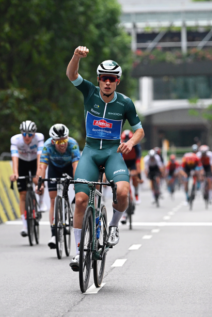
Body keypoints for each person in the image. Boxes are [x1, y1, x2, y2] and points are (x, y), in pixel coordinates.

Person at [66, 46, 144, 271]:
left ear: (117, 81)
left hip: (113, 154)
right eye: (103, 78)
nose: (107, 82)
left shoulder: (125, 103)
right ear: (99, 80)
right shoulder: (89, 92)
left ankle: (113, 226)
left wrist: (129, 143)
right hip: (90, 153)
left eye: (112, 79)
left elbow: (139, 130)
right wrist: (76, 57)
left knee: (122, 192)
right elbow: (72, 75)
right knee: (80, 200)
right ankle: (79, 251)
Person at [35, 124, 80, 249]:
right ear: (53, 141)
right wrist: (40, 183)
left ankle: (71, 205)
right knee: (53, 200)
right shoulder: (47, 146)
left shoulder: (73, 144)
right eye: (59, 141)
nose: (62, 144)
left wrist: (77, 182)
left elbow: (76, 165)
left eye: (64, 140)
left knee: (80, 190)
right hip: (54, 169)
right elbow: (42, 167)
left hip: (70, 167)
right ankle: (54, 233)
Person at [9, 120, 45, 237]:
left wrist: (39, 173)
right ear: (21, 133)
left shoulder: (39, 138)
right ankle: (24, 225)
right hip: (22, 162)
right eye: (25, 134)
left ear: (34, 134)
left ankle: (40, 202)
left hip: (35, 160)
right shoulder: (15, 140)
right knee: (23, 194)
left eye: (30, 134)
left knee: (37, 180)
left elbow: (40, 156)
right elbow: (14, 157)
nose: (27, 137)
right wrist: (15, 173)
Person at [121, 130, 143, 204]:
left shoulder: (137, 145)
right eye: (125, 141)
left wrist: (139, 175)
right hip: (124, 161)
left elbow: (138, 161)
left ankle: (136, 194)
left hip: (133, 161)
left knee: (134, 176)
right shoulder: (120, 144)